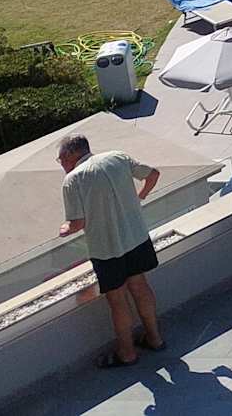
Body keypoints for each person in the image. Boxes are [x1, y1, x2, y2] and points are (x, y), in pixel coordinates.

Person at [57, 134, 163, 368]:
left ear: (69, 155)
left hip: (106, 249)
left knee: (118, 300)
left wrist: (65, 229)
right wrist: (141, 196)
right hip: (136, 237)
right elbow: (153, 174)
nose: (61, 164)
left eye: (61, 159)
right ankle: (155, 338)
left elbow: (77, 223)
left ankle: (127, 353)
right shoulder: (117, 157)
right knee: (140, 286)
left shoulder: (73, 180)